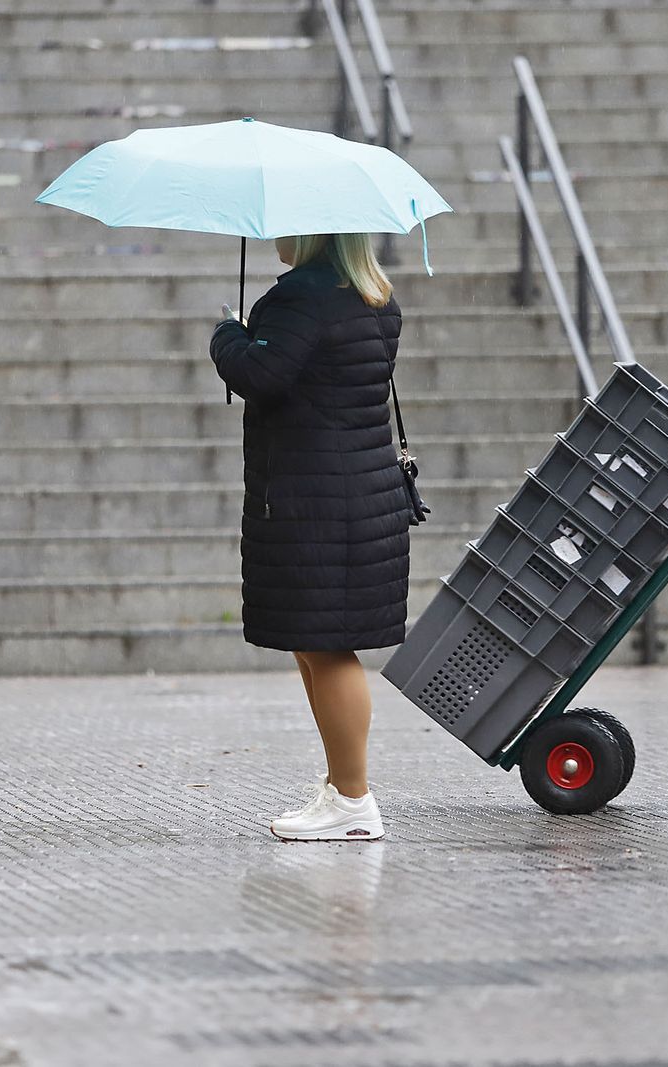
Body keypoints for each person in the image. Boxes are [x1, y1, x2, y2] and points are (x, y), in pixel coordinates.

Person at [209, 233, 412, 841]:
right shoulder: (373, 296)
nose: (274, 236)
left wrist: (228, 334)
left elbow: (263, 374)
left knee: (328, 648)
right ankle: (341, 789)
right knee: (316, 641)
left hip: (318, 500)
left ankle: (353, 800)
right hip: (352, 494)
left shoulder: (305, 298)